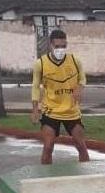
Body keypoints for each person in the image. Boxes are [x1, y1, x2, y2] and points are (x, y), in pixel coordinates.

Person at [31, 29, 90, 164]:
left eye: (63, 46)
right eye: (57, 46)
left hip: (71, 111)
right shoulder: (41, 64)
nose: (60, 49)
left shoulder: (75, 61)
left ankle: (87, 179)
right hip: (51, 111)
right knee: (48, 146)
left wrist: (79, 89)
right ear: (51, 45)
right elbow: (35, 86)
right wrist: (35, 109)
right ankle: (46, 179)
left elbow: (82, 79)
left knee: (81, 146)